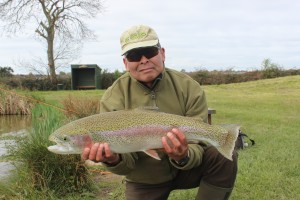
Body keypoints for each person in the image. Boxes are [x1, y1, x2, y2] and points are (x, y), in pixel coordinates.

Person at [82, 24, 238, 200]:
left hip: (187, 169)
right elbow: (127, 165)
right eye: (134, 55)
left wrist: (183, 156)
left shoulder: (188, 87)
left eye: (149, 52)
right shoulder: (113, 97)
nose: (143, 60)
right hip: (144, 179)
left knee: (223, 155)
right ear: (126, 63)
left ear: (162, 53)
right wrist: (112, 160)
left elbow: (199, 146)